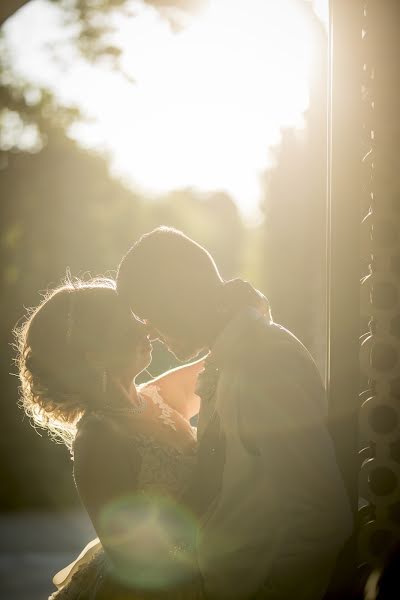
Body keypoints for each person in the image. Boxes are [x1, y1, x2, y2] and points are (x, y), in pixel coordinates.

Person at [116, 226, 354, 600]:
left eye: (150, 318)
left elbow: (320, 515)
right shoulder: (227, 357)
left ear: (179, 302)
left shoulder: (266, 364)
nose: (151, 334)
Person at [15, 277, 205, 599]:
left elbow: (225, 361)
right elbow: (139, 565)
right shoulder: (98, 440)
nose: (146, 327)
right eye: (127, 321)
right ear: (94, 354)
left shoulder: (156, 396)